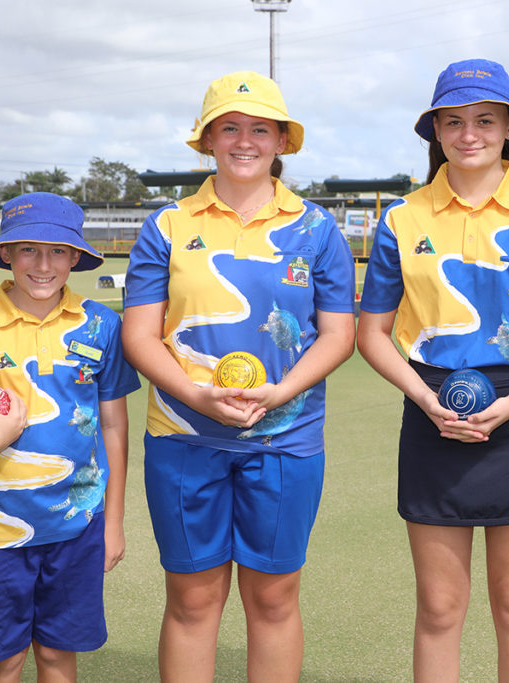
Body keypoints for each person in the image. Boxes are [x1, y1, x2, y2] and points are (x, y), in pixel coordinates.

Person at [356, 58, 509, 681]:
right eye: (454, 121)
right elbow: (372, 334)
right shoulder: (400, 217)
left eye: (485, 120)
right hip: (433, 409)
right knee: (440, 607)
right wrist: (424, 398)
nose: (469, 134)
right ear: (435, 131)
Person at [122, 70, 355, 682]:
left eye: (259, 128)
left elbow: (339, 334)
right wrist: (197, 394)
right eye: (229, 127)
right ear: (207, 140)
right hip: (182, 436)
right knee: (193, 600)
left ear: (282, 140)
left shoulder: (317, 228)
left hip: (285, 437)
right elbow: (141, 336)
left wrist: (280, 392)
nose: (244, 141)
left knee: (274, 599)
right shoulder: (166, 225)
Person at [0, 192, 141, 682]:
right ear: (6, 254)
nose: (43, 264)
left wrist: (113, 521)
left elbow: (115, 426)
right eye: (28, 249)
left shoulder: (101, 325)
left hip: (79, 527)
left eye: (57, 251)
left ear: (75, 257)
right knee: (6, 659)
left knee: (58, 656)